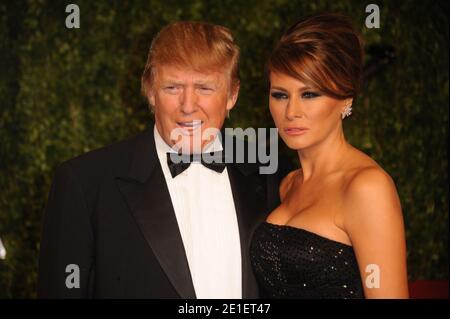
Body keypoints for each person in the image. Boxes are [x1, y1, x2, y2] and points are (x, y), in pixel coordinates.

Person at [38, 21, 288, 298]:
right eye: (172, 87)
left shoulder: (271, 172)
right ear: (150, 90)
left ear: (232, 94)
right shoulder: (84, 183)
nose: (188, 105)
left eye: (205, 88)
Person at [250, 13, 409, 299]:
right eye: (280, 95)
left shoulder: (366, 188)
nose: (292, 112)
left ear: (346, 98)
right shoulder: (288, 183)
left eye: (310, 94)